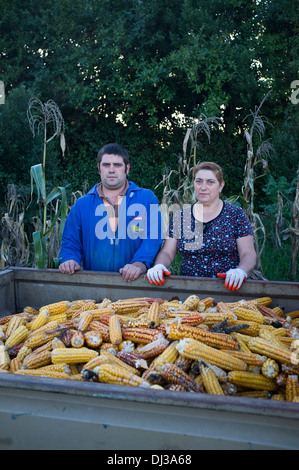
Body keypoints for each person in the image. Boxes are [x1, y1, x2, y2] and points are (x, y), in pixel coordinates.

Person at [59, 143, 163, 282]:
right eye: (106, 165)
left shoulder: (146, 198)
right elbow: (70, 241)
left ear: (127, 168)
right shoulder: (82, 204)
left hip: (136, 282)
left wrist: (140, 263)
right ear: (99, 168)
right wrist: (70, 259)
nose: (111, 170)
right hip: (94, 284)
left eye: (118, 165)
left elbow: (153, 237)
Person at [146, 161, 257, 291]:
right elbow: (167, 252)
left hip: (228, 288)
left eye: (210, 182)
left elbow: (248, 253)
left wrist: (241, 271)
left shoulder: (235, 215)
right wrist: (159, 266)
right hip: (189, 290)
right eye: (199, 181)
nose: (203, 187)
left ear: (221, 186)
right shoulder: (181, 217)